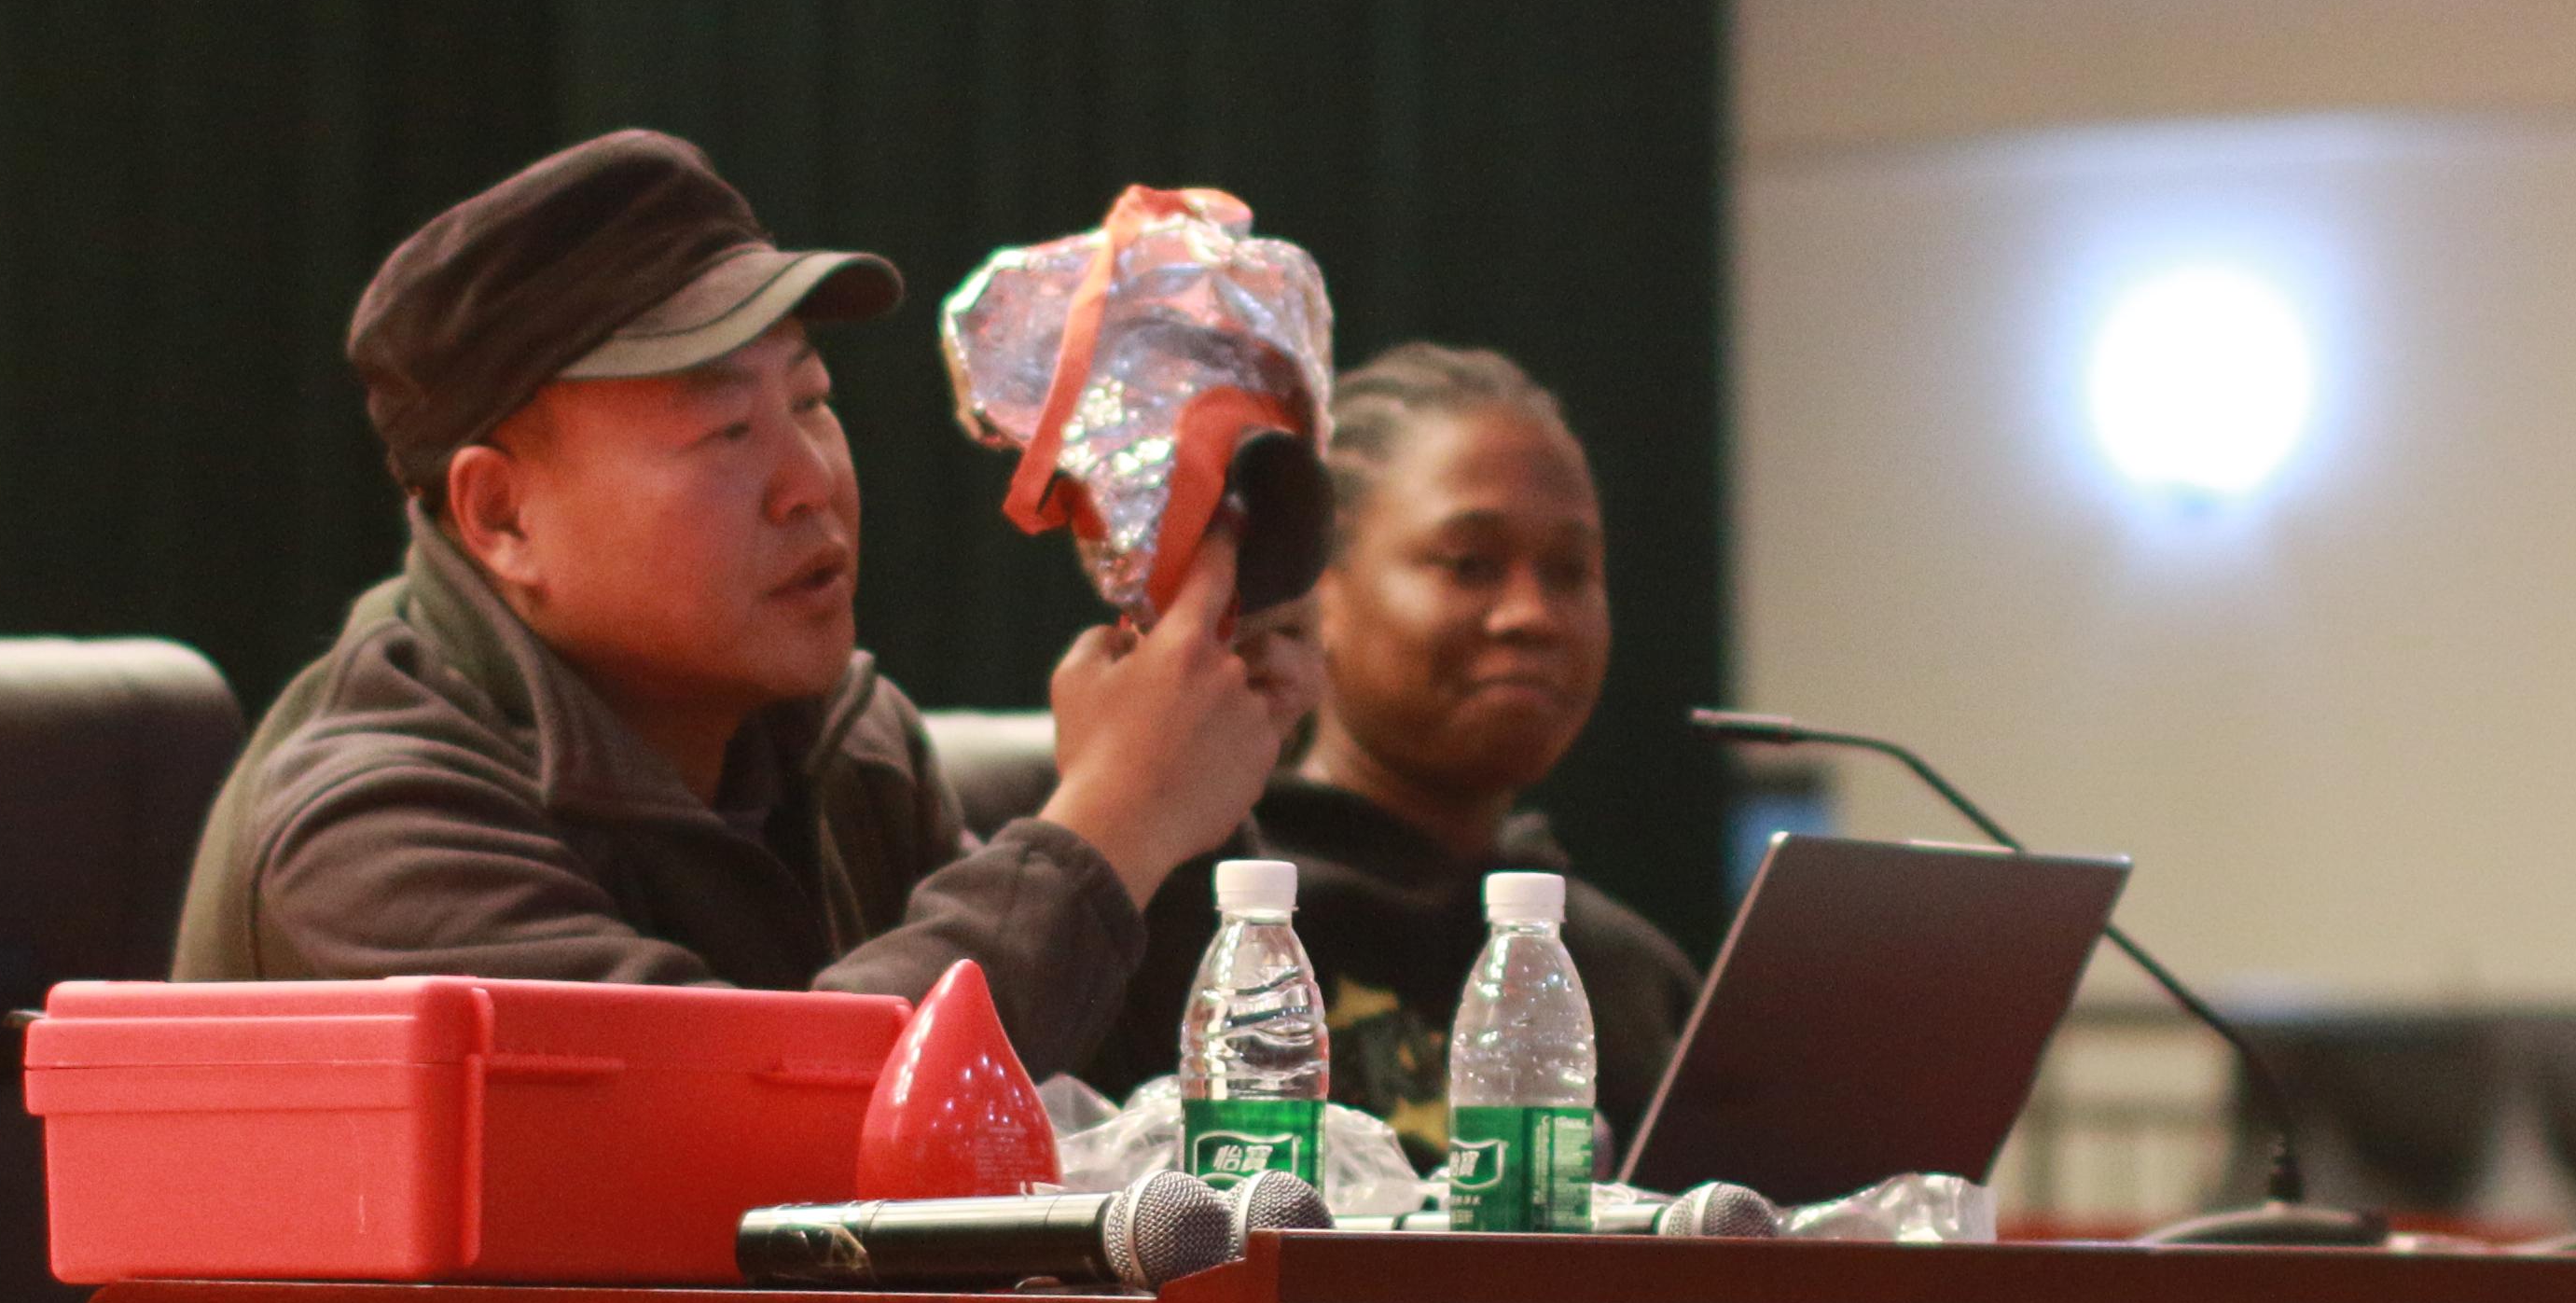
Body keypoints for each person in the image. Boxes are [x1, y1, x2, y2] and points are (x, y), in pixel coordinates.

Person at [175, 130, 1318, 1065]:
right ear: (502, 516)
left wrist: (1186, 802)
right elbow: (748, 1144)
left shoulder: (841, 742)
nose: (809, 482)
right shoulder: (370, 836)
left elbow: (1109, 1114)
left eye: (811, 401)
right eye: (725, 431)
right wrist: (1112, 821)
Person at [1083, 342, 1700, 1160]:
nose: (1533, 616)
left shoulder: (1629, 976)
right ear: (1320, 596)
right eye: (1470, 565)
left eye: (1570, 571)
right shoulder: (1201, 920)